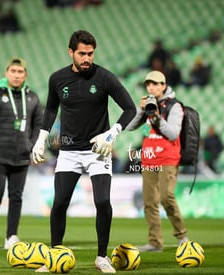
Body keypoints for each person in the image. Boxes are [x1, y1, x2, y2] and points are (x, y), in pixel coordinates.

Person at [31, 30, 137, 273]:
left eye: (90, 53)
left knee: (102, 202)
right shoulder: (57, 79)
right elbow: (50, 110)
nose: (87, 58)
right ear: (71, 52)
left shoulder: (105, 78)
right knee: (59, 203)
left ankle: (102, 257)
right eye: (82, 53)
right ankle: (55, 255)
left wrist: (112, 133)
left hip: (97, 152)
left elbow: (130, 109)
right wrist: (41, 139)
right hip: (68, 152)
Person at [0, 58, 43, 250]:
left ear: (25, 75)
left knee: (16, 196)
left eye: (20, 71)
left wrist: (32, 145)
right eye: (13, 71)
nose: (16, 75)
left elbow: (39, 124)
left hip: (22, 156)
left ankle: (11, 236)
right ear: (6, 73)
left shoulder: (32, 98)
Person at [126, 70, 188, 252]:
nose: (151, 87)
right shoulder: (148, 104)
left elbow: (173, 133)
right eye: (148, 84)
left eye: (155, 84)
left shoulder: (174, 106)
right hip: (149, 158)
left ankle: (182, 236)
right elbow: (129, 126)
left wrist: (155, 118)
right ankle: (155, 242)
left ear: (163, 85)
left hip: (168, 158)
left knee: (165, 197)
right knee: (149, 202)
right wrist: (141, 110)